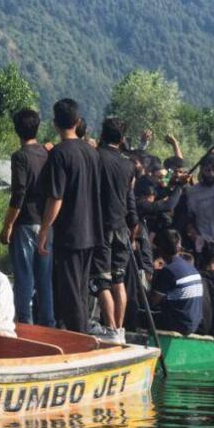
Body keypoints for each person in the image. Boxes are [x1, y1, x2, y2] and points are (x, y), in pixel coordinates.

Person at [36, 98, 104, 334]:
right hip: (93, 229)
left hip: (71, 231)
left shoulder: (59, 154)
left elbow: (56, 198)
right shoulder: (92, 153)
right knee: (81, 288)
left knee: (70, 291)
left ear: (55, 124)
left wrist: (44, 230)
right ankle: (80, 333)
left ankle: (80, 340)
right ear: (77, 122)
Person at [0, 108, 53, 326]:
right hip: (46, 222)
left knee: (24, 277)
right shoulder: (47, 154)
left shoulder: (20, 156)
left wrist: (8, 225)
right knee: (44, 279)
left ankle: (24, 323)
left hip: (26, 222)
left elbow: (19, 192)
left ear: (16, 130)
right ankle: (48, 324)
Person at [94, 117, 137, 343]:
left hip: (102, 226)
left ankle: (110, 328)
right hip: (122, 226)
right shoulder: (129, 165)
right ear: (122, 139)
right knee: (119, 280)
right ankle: (119, 329)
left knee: (102, 280)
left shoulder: (97, 158)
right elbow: (129, 197)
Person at [149, 229, 203, 336]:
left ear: (161, 249)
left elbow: (153, 301)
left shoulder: (168, 270)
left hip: (180, 325)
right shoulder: (192, 268)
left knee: (139, 315)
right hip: (195, 324)